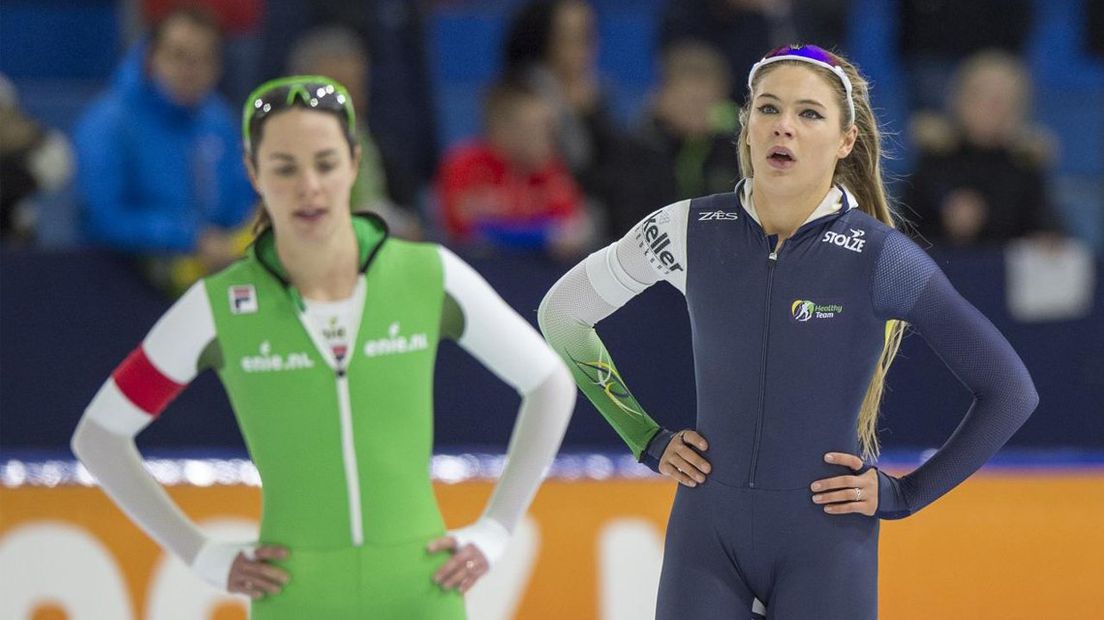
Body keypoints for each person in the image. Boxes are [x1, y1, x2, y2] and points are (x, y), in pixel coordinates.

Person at [539, 45, 1038, 618]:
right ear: (746, 125)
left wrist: (907, 494)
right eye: (768, 108)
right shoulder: (687, 229)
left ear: (845, 140)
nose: (784, 127)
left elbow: (1011, 391)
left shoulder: (882, 258)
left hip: (824, 547)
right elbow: (563, 313)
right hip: (706, 544)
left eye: (810, 114)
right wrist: (645, 439)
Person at [71, 75, 576, 618]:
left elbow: (550, 382)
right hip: (296, 598)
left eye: (326, 163)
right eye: (285, 168)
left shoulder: (426, 276)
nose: (308, 185)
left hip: (420, 592)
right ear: (253, 173)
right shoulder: (219, 305)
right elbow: (98, 436)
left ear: (355, 164)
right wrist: (197, 553)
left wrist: (498, 529)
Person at [73, 6, 256, 294]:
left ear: (218, 68)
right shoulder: (109, 122)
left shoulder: (219, 120)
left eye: (203, 60)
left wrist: (235, 237)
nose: (189, 71)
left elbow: (240, 202)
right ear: (151, 57)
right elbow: (104, 217)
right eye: (178, 55)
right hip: (118, 286)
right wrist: (189, 237)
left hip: (214, 281)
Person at [906, 50, 1061, 246]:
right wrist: (947, 222)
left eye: (1002, 100)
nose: (993, 108)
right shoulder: (935, 158)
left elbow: (1048, 230)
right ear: (960, 100)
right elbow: (902, 234)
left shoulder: (1025, 165)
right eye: (982, 96)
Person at [287, 24, 424, 239]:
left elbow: (387, 208)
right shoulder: (282, 147)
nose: (348, 100)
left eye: (357, 87)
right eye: (337, 87)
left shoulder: (373, 138)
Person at [436, 80, 592, 257]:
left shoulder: (551, 171)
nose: (548, 140)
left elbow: (571, 232)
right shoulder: (463, 165)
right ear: (502, 131)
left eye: (549, 129)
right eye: (536, 130)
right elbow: (463, 229)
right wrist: (541, 237)